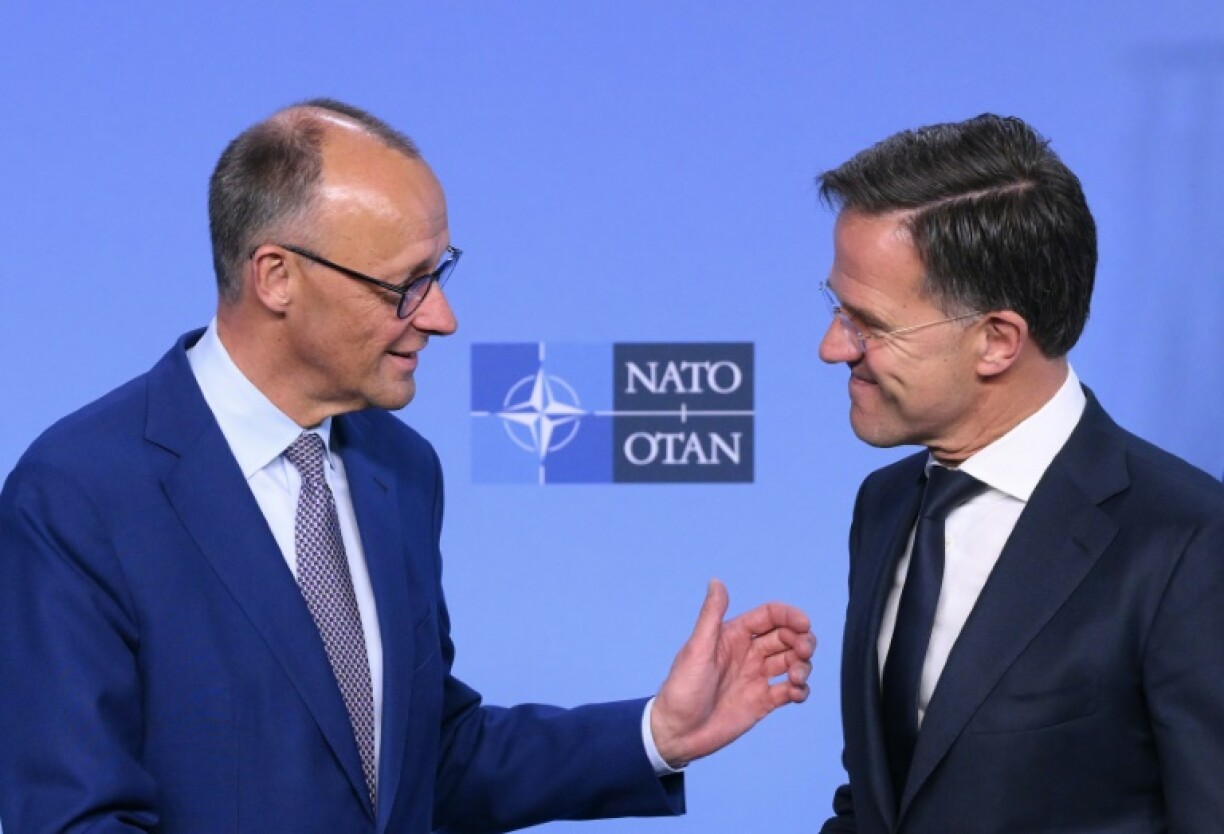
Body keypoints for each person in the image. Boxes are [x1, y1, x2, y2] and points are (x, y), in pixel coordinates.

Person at [0, 99, 815, 834]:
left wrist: (657, 734)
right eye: (406, 285)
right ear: (277, 277)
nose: (443, 317)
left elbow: (428, 763)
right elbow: (74, 820)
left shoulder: (401, 470)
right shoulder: (80, 495)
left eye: (441, 272)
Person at [815, 114, 1224, 832]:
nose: (830, 348)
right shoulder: (884, 506)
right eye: (835, 310)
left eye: (868, 324)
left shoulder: (1188, 544)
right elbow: (883, 804)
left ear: (997, 341)